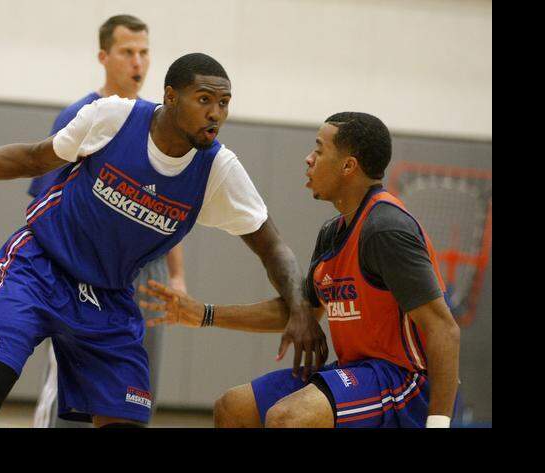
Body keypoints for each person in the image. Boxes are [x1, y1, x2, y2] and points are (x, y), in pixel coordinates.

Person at [0, 53, 326, 428]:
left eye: (224, 103)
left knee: (127, 421)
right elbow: (32, 158)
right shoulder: (114, 117)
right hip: (40, 268)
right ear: (170, 96)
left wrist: (300, 310)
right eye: (204, 99)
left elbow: (273, 245)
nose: (216, 113)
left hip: (108, 296)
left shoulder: (218, 170)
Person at [138, 112, 460, 428]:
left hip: (403, 382)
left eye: (319, 150)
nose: (309, 159)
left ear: (348, 166)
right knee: (234, 407)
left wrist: (438, 422)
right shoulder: (333, 232)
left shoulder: (386, 229)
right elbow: (298, 312)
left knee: (288, 418)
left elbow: (444, 328)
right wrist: (204, 314)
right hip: (355, 372)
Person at [28, 14, 186, 428]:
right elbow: (46, 207)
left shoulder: (160, 124)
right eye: (127, 52)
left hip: (145, 275)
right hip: (84, 272)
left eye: (144, 52)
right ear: (104, 57)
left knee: (135, 396)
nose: (138, 62)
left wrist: (177, 276)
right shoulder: (78, 116)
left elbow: (171, 206)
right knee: (72, 395)